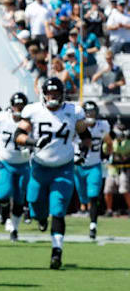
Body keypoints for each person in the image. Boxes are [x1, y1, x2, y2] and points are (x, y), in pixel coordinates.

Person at [14, 77, 92, 269]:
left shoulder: (73, 111)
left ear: (62, 95)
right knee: (34, 202)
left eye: (56, 94)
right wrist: (33, 143)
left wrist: (82, 153)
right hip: (39, 167)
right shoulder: (33, 110)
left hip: (63, 168)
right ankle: (41, 218)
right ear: (44, 94)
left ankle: (57, 252)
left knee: (57, 210)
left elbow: (85, 137)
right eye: (50, 93)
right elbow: (18, 136)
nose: (53, 97)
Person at [0, 93, 30, 242]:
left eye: (22, 106)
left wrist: (32, 150)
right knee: (3, 193)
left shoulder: (30, 120)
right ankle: (5, 213)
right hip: (5, 162)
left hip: (23, 164)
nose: (19, 109)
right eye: (17, 106)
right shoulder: (1, 118)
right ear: (11, 106)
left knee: (20, 198)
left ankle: (14, 228)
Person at [73, 101, 112, 239]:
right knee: (83, 197)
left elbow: (108, 142)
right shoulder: (76, 125)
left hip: (94, 164)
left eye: (92, 112)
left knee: (93, 196)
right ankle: (87, 210)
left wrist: (108, 155)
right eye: (87, 112)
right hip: (78, 167)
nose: (90, 115)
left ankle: (93, 226)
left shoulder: (102, 126)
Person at [105, 121, 130, 216]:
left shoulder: (127, 142)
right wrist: (109, 140)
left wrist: (122, 140)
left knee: (125, 190)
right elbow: (106, 150)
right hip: (112, 169)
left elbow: (122, 150)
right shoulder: (111, 140)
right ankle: (109, 210)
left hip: (124, 169)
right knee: (108, 190)